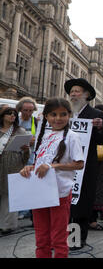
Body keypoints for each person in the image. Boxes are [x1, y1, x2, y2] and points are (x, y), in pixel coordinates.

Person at [19, 98, 84, 258]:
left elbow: (79, 164)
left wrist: (53, 166)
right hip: (39, 192)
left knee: (58, 239)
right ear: (46, 116)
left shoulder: (72, 136)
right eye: (53, 114)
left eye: (63, 114)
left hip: (60, 193)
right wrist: (30, 168)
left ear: (69, 115)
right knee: (41, 239)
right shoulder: (44, 135)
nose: (58, 118)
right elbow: (41, 162)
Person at [64, 78, 103, 250]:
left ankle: (77, 239)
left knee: (81, 203)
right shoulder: (65, 112)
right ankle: (63, 237)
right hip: (65, 164)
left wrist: (99, 128)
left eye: (77, 91)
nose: (74, 94)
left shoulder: (95, 114)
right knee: (65, 202)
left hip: (85, 165)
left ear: (87, 95)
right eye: (72, 91)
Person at [0, 107, 30, 235]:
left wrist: (26, 150)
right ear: (2, 116)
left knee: (9, 195)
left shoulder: (20, 131)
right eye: (9, 113)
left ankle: (8, 225)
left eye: (14, 114)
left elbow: (25, 153)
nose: (12, 116)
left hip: (12, 163)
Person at [16, 97, 39, 221]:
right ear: (20, 109)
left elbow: (40, 137)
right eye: (25, 110)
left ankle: (24, 211)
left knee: (26, 183)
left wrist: (35, 140)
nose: (28, 113)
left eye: (31, 110)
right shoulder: (15, 120)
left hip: (29, 157)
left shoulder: (35, 122)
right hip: (15, 155)